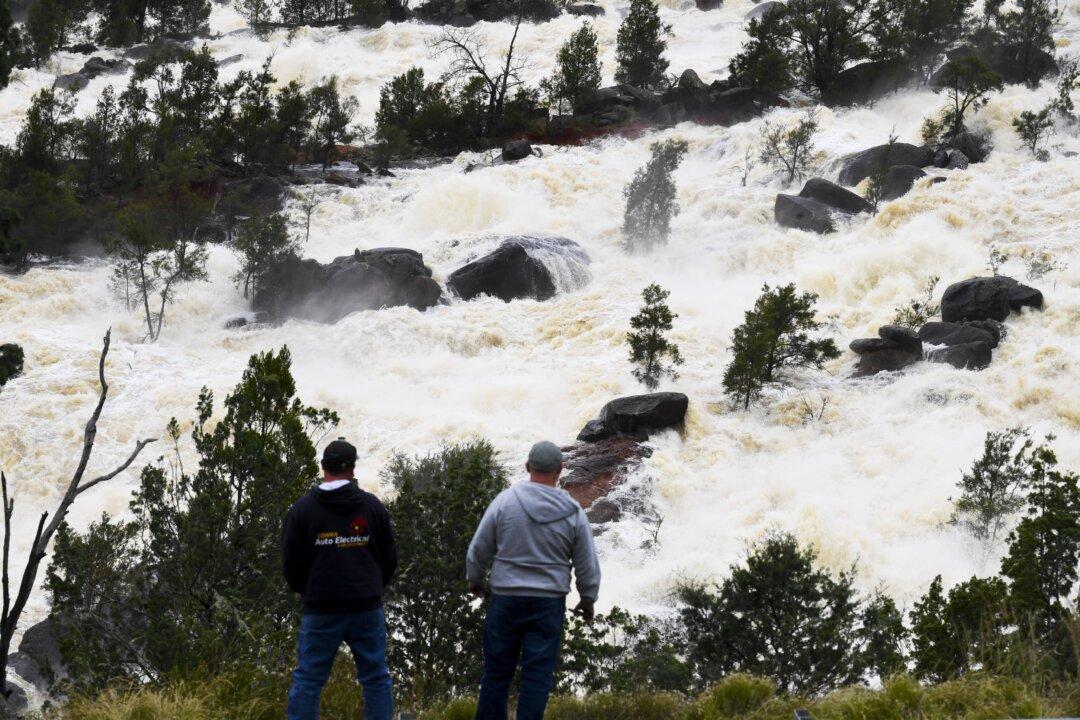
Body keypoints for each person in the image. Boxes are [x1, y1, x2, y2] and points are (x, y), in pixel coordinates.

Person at [466, 441, 601, 720]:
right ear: (560, 470)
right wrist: (587, 599)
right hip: (548, 604)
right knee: (536, 678)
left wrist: (475, 579)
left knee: (496, 674)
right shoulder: (573, 511)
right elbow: (587, 562)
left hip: (505, 600)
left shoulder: (505, 501)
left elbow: (479, 548)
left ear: (527, 467)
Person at [282, 438, 397, 720]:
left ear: (323, 466)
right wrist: (371, 586)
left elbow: (291, 565)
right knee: (375, 678)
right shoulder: (372, 507)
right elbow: (389, 559)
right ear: (353, 468)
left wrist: (308, 590)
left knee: (309, 679)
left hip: (321, 607)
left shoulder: (302, 510)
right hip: (366, 607)